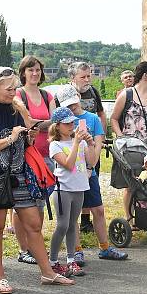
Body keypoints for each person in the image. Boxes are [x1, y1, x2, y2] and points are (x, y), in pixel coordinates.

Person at [0, 66, 75, 291]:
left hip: (20, 174)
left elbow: (27, 132)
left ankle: (47, 273)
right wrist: (11, 138)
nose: (13, 92)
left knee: (34, 224)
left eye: (14, 88)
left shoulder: (17, 106)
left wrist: (29, 136)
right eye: (8, 89)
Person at [57, 86, 128, 261]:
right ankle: (76, 250)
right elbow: (59, 146)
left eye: (73, 104)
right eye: (68, 106)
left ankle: (104, 247)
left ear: (79, 97)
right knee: (73, 214)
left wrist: (90, 157)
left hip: (89, 173)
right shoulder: (62, 122)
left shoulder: (93, 119)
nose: (72, 108)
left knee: (98, 209)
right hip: (69, 175)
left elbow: (96, 150)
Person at [14, 57, 56, 265]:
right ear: (23, 72)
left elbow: (55, 124)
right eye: (30, 69)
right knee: (22, 203)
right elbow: (24, 123)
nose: (35, 73)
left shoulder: (47, 94)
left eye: (38, 69)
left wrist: (35, 123)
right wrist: (41, 124)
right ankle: (24, 249)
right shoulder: (18, 94)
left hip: (46, 155)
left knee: (40, 201)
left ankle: (36, 244)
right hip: (25, 156)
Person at [48, 107, 99, 276]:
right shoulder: (55, 145)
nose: (71, 126)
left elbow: (91, 161)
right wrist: (77, 143)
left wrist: (91, 144)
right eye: (67, 123)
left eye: (72, 123)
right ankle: (53, 261)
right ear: (57, 126)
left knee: (72, 225)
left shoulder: (81, 142)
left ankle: (71, 260)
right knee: (62, 225)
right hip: (63, 189)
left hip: (79, 187)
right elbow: (68, 165)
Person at [110, 61, 147, 220]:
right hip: (130, 148)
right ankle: (130, 217)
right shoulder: (127, 94)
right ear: (145, 75)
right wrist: (120, 137)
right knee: (131, 185)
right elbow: (114, 119)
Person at [66, 62, 107, 235]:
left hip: (91, 146)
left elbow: (100, 113)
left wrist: (100, 139)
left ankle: (86, 221)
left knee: (90, 181)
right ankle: (78, 226)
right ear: (73, 78)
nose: (87, 79)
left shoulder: (93, 92)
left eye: (89, 75)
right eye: (83, 77)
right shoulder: (65, 94)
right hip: (72, 151)